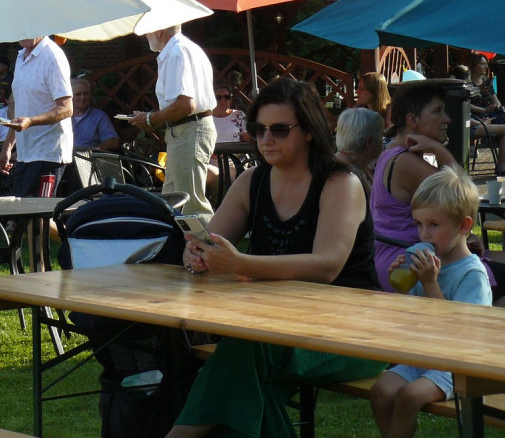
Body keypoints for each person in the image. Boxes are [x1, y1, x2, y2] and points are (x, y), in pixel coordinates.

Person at [167, 79, 385, 438]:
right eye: (260, 129)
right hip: (278, 326)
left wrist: (239, 264)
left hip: (353, 332)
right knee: (250, 386)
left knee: (243, 354)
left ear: (310, 132)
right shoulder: (253, 181)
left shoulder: (339, 183)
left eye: (280, 130)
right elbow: (210, 242)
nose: (266, 139)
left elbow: (326, 266)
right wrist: (196, 254)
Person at [370, 166, 491, 438]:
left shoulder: (471, 273)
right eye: (419, 224)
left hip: (458, 364)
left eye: (433, 225)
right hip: (424, 355)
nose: (424, 234)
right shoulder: (425, 267)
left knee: (408, 397)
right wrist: (401, 285)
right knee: (381, 391)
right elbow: (413, 316)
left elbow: (459, 330)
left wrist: (429, 283)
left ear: (464, 225)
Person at [372, 82, 457, 293]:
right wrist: (440, 150)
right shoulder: (406, 163)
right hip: (408, 266)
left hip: (396, 258)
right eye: (437, 111)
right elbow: (463, 197)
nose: (447, 119)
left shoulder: (392, 150)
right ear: (412, 120)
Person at [131, 25, 216, 218]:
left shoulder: (177, 52)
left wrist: (151, 119)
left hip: (189, 129)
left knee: (191, 205)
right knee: (171, 202)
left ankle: (211, 247)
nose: (146, 34)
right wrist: (151, 117)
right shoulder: (183, 49)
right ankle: (179, 247)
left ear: (158, 30)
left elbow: (186, 105)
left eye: (148, 30)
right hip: (186, 130)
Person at [0, 37, 73, 197]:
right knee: (23, 213)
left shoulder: (53, 57)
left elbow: (66, 109)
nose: (23, 32)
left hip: (48, 151)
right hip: (26, 152)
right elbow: (20, 107)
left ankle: (71, 223)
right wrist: (8, 147)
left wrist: (31, 121)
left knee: (38, 215)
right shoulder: (21, 56)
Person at [467, 53, 505, 174]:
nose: (485, 67)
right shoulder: (466, 84)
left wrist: (498, 105)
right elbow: (465, 105)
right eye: (482, 64)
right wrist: (482, 110)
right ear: (473, 66)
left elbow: (495, 99)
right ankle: (502, 166)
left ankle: (502, 165)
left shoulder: (487, 82)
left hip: (490, 116)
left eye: (486, 64)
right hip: (475, 119)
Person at [334, 107, 385, 191]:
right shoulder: (348, 179)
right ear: (369, 142)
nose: (383, 140)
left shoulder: (332, 164)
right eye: (381, 136)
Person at [70, 77, 119, 151]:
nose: (82, 97)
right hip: (63, 159)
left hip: (90, 159)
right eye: (78, 94)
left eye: (85, 93)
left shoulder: (98, 116)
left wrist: (94, 150)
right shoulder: (61, 116)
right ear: (70, 96)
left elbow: (114, 141)